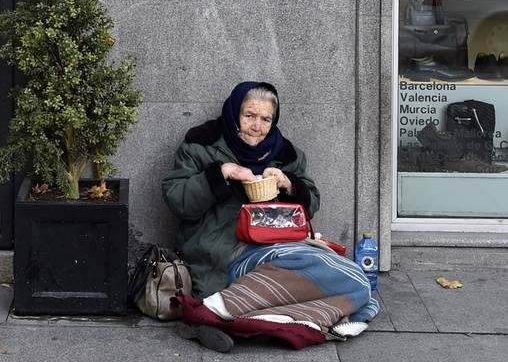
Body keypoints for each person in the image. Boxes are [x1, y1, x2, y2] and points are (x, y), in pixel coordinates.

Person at [162, 82, 378, 352]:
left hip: (277, 242)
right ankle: (229, 310)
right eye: (249, 116)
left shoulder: (284, 152)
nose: (257, 127)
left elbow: (311, 202)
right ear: (233, 114)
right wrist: (222, 174)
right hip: (225, 249)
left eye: (266, 119)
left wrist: (289, 184)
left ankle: (229, 314)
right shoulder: (200, 145)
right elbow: (178, 200)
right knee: (350, 285)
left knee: (355, 277)